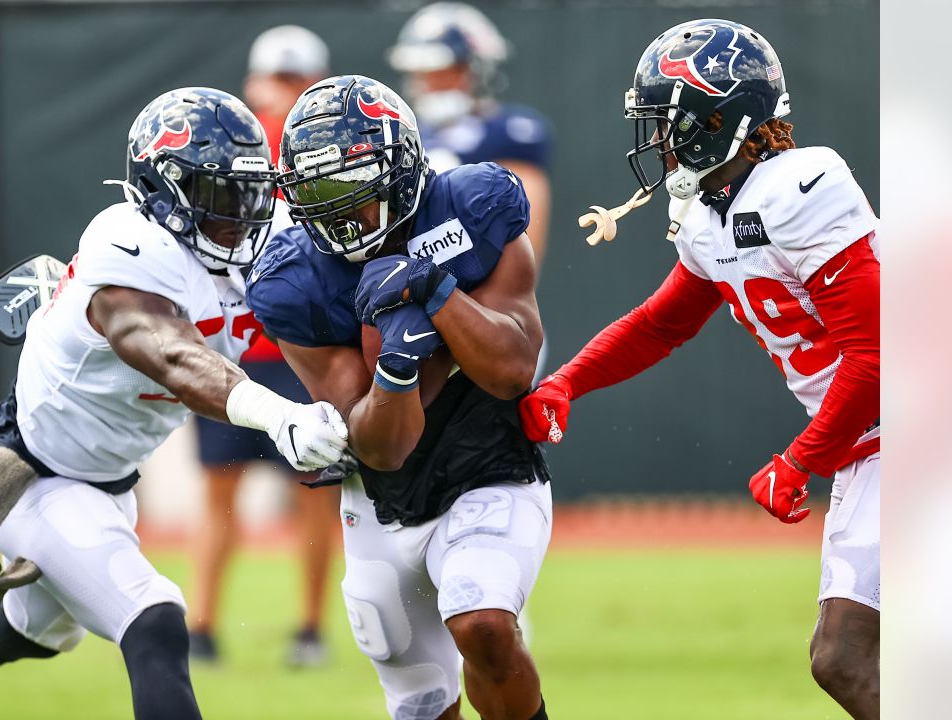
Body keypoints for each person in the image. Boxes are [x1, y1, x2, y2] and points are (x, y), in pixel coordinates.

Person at [0, 87, 349, 720]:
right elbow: (171, 355)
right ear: (162, 191)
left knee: (30, 630)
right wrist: (279, 414)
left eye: (251, 192)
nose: (244, 215)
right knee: (155, 620)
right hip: (35, 473)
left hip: (109, 478)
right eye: (221, 197)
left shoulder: (267, 235)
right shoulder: (127, 243)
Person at [520, 19, 880, 718]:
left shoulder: (800, 185)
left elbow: (878, 351)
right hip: (872, 446)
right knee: (844, 661)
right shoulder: (711, 213)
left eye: (670, 122)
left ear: (722, 118)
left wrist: (801, 459)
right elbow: (663, 323)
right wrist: (568, 381)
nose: (658, 140)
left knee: (852, 656)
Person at [248, 75, 552, 720]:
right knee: (421, 704)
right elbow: (380, 449)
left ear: (403, 169)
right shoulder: (292, 281)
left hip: (488, 461)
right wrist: (397, 364)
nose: (336, 210)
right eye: (317, 192)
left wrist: (439, 295)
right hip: (383, 497)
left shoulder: (475, 205)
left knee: (484, 625)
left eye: (348, 187)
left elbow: (514, 369)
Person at [187, 24, 335, 668]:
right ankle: (210, 625)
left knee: (312, 493)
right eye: (278, 81)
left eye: (293, 82)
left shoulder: (286, 152)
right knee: (236, 496)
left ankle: (289, 627)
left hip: (293, 352)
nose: (282, 97)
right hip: (248, 350)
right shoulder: (250, 152)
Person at [388, 2, 553, 264]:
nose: (432, 83)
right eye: (425, 73)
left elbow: (526, 238)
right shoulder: (409, 135)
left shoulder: (510, 132)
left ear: (479, 69)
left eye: (447, 71)